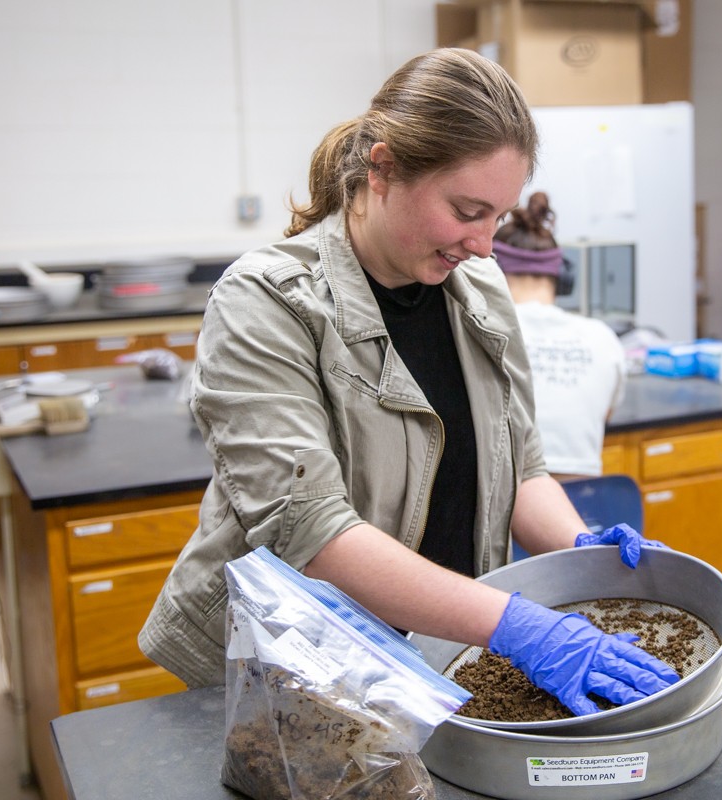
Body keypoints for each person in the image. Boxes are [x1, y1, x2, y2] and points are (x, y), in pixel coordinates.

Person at [139, 48, 677, 720]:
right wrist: (515, 624)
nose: (484, 243)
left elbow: (519, 464)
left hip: (435, 658)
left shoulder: (478, 288)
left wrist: (578, 550)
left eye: (498, 218)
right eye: (466, 210)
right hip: (286, 672)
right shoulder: (266, 300)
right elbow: (313, 534)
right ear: (384, 168)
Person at [493, 191, 627, 479]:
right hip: (584, 509)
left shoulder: (488, 333)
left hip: (510, 512)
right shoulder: (602, 337)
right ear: (564, 278)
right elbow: (604, 415)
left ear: (490, 271)